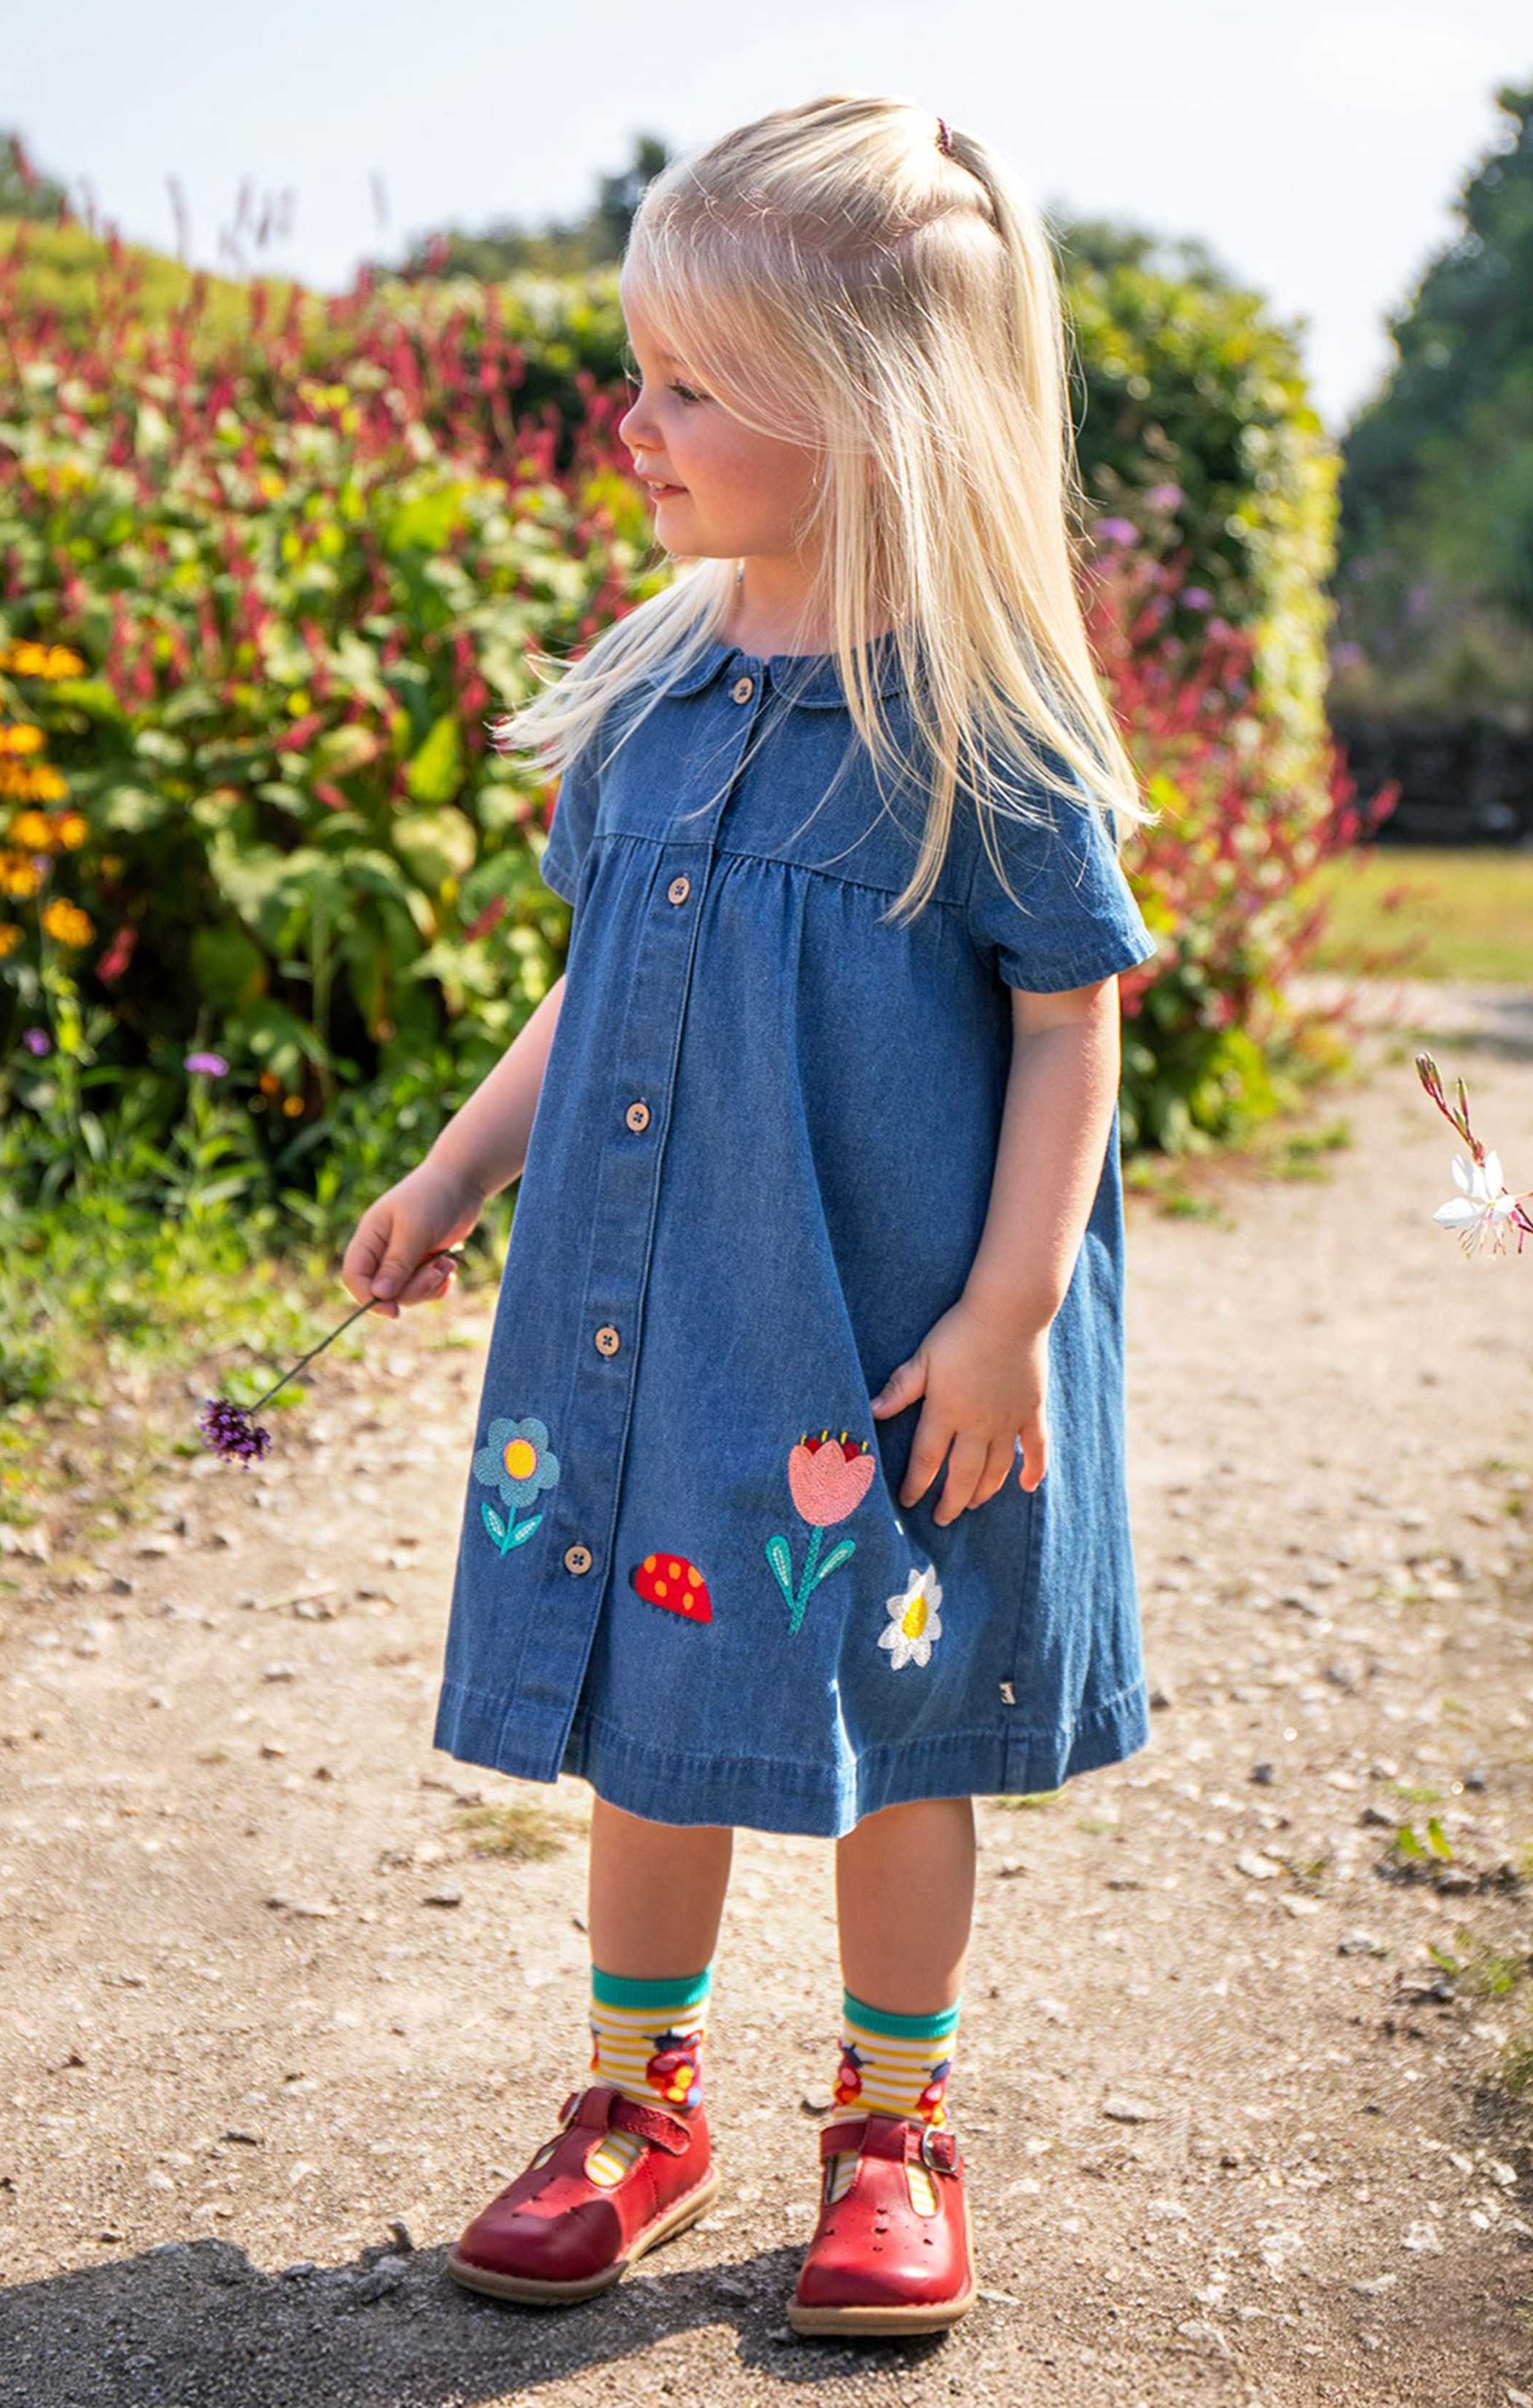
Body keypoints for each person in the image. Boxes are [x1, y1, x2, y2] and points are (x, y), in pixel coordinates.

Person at [340, 90, 1165, 2341]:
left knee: (901, 1724)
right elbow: (597, 988)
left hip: (894, 1331)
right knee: (655, 1696)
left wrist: (1005, 1316)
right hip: (664, 1317)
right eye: (643, 370)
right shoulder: (653, 696)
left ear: (866, 413)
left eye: (692, 385)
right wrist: (453, 1168)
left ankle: (894, 2124)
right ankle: (639, 2098)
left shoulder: (977, 731)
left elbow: (1076, 1027)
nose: (635, 424)